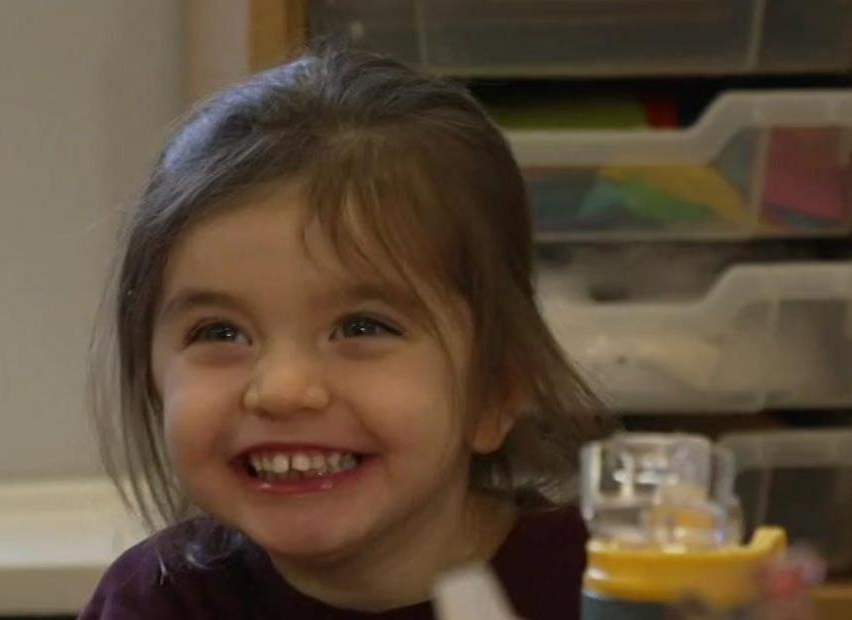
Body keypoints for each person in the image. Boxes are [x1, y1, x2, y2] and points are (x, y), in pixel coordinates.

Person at [79, 45, 610, 620]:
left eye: (361, 326)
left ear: (495, 390)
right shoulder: (159, 603)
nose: (281, 389)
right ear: (154, 378)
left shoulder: (610, 584)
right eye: (221, 333)